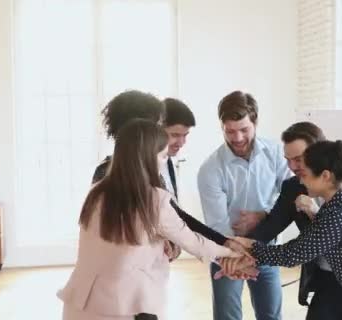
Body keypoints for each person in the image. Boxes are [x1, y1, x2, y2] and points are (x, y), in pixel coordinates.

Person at [57, 119, 242, 320]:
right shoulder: (154, 200)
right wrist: (233, 254)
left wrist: (161, 243)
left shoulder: (96, 193)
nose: (164, 163)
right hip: (126, 308)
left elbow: (121, 243)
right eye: (163, 156)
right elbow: (195, 243)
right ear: (146, 159)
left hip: (78, 306)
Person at [219, 140, 342, 320]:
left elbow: (292, 254)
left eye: (304, 174)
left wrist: (248, 245)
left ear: (325, 176)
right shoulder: (338, 202)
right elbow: (314, 238)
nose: (301, 181)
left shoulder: (338, 211)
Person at [91, 90, 251, 264]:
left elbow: (171, 216)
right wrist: (225, 249)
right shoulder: (107, 175)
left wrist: (222, 243)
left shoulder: (156, 165)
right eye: (160, 127)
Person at [197, 91, 291, 320]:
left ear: (255, 122)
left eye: (244, 129)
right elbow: (218, 224)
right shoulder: (210, 169)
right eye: (229, 131)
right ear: (222, 127)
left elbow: (290, 197)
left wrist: (265, 215)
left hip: (266, 248)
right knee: (227, 316)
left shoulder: (277, 154)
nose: (237, 138)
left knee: (271, 315)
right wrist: (236, 257)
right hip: (227, 252)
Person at [160, 97, 195, 200]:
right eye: (175, 135)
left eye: (185, 135)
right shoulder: (140, 169)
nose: (181, 143)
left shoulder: (168, 162)